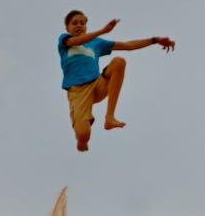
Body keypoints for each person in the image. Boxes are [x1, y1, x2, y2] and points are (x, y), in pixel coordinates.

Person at [58, 10, 175, 152]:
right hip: (78, 92)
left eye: (82, 23)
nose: (79, 25)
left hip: (96, 85)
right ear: (67, 28)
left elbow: (129, 45)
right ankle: (82, 140)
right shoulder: (64, 40)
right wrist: (102, 30)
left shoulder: (96, 43)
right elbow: (76, 41)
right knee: (83, 135)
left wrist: (155, 40)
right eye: (74, 23)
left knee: (119, 62)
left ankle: (110, 117)